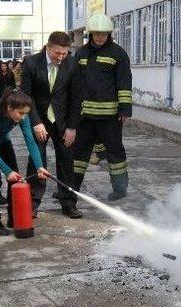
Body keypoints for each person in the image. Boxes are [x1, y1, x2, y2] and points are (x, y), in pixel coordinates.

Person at [21, 31, 83, 218]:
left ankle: (68, 203)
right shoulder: (32, 63)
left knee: (66, 161)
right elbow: (26, 95)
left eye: (64, 53)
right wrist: (36, 122)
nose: (61, 57)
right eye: (57, 53)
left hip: (63, 121)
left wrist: (72, 127)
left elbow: (76, 97)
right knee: (37, 161)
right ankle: (33, 202)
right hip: (40, 119)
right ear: (48, 47)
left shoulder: (71, 64)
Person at [73, 13, 132, 201]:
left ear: (109, 34)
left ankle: (120, 189)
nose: (99, 37)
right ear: (90, 34)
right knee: (79, 153)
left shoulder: (118, 54)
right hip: (85, 116)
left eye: (103, 34)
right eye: (96, 33)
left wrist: (124, 110)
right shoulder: (81, 53)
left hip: (110, 116)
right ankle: (72, 189)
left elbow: (124, 82)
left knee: (115, 151)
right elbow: (74, 83)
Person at [0, 89, 51, 235]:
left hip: (3, 140)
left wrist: (39, 167)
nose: (23, 117)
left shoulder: (22, 117)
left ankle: (13, 218)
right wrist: (6, 171)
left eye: (26, 113)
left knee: (15, 179)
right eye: (21, 113)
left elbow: (31, 142)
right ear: (9, 108)